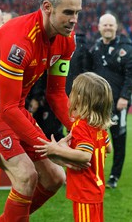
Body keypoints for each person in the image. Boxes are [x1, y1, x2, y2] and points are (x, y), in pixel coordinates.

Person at [0, 0, 82, 222]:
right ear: (47, 7)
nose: (74, 20)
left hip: (15, 109)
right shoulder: (20, 41)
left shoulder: (66, 41)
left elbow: (56, 93)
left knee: (54, 178)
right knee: (26, 176)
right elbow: (6, 108)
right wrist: (50, 148)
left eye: (77, 13)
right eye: (68, 13)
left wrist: (82, 130)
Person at [34, 72, 113, 222]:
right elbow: (108, 149)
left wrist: (56, 149)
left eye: (72, 92)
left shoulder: (81, 126)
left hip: (84, 191)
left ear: (79, 100)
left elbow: (85, 155)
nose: (69, 96)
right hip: (96, 189)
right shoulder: (98, 126)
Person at [80, 13, 132, 189]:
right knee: (95, 140)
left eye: (110, 25)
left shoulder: (126, 47)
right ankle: (93, 173)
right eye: (104, 25)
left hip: (118, 104)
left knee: (118, 139)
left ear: (116, 27)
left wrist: (125, 97)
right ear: (99, 27)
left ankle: (114, 176)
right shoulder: (95, 48)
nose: (107, 28)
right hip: (98, 105)